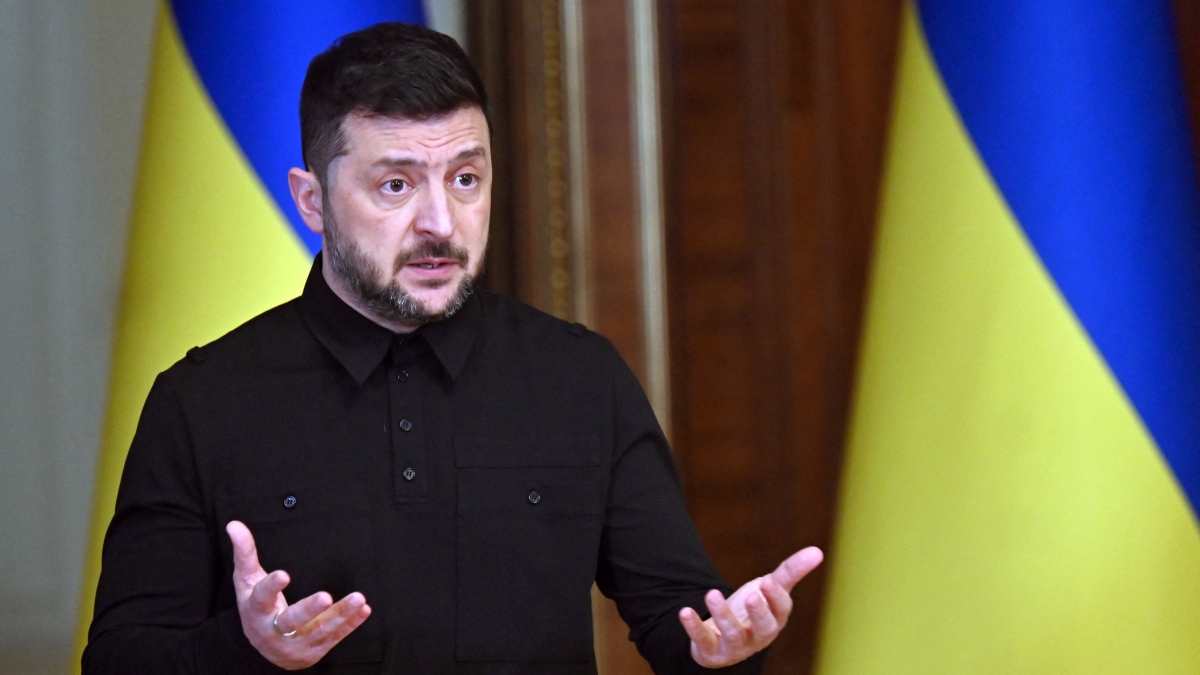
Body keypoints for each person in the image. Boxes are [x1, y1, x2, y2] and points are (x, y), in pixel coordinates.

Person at [83, 22, 822, 674]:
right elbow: (120, 658)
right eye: (396, 186)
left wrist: (723, 650)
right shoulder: (203, 400)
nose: (441, 222)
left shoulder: (580, 377)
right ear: (312, 201)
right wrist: (247, 651)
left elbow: (680, 621)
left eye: (466, 178)